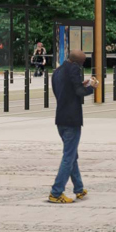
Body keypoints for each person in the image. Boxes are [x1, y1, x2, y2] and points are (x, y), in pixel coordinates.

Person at [49, 49, 96, 204]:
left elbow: (64, 90)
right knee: (68, 157)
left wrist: (80, 85)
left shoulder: (58, 71)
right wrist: (92, 87)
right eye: (82, 63)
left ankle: (79, 188)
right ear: (77, 62)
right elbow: (79, 92)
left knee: (72, 155)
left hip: (60, 118)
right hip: (72, 119)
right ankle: (56, 192)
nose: (82, 66)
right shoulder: (74, 69)